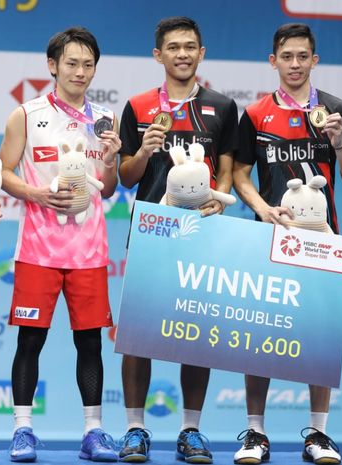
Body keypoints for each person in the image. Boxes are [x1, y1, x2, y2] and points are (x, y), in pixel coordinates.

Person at [231, 23, 342, 465]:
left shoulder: (336, 110)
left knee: (318, 337)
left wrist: (339, 143)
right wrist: (261, 208)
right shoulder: (255, 114)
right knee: (260, 337)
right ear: (273, 61)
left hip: (322, 243)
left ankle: (319, 436)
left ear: (314, 60)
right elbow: (240, 176)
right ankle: (255, 432)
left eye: (302, 56)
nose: (294, 64)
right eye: (286, 56)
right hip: (268, 238)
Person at [117, 16, 239, 464]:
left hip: (205, 235)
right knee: (138, 336)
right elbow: (126, 177)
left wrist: (220, 200)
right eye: (173, 47)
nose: (183, 54)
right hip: (152, 231)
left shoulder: (223, 107)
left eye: (190, 46)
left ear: (201, 53)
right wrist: (146, 149)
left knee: (197, 334)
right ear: (159, 55)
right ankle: (135, 430)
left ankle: (191, 430)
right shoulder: (138, 106)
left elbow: (226, 166)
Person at [0, 27, 121, 463]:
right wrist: (35, 194)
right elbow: (4, 171)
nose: (80, 72)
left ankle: (93, 432)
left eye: (88, 64)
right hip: (38, 252)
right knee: (30, 342)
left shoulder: (105, 120)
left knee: (90, 344)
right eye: (72, 63)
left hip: (89, 252)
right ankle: (23, 430)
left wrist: (110, 159)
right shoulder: (26, 115)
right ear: (53, 66)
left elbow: (107, 188)